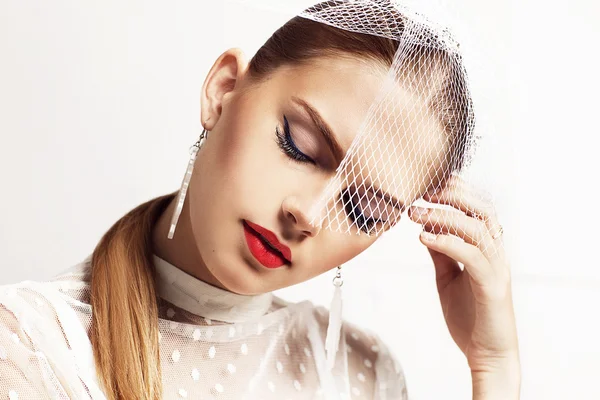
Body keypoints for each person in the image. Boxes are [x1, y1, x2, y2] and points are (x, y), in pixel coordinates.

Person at [0, 1, 520, 399]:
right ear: (223, 89)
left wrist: (492, 365)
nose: (309, 216)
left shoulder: (361, 375)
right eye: (299, 145)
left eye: (364, 210)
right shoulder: (31, 344)